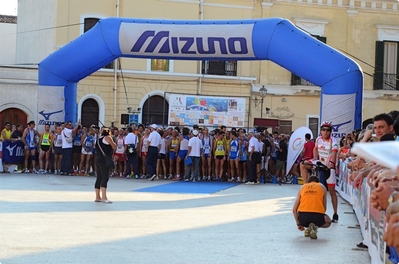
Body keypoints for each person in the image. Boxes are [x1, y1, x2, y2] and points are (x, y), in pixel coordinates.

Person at [313, 121, 339, 223]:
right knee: (321, 191)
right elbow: (315, 149)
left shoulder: (333, 140)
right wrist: (315, 158)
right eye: (323, 130)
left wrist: (332, 162)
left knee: (332, 191)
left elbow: (334, 152)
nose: (325, 132)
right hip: (321, 166)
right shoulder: (318, 139)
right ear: (321, 131)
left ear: (330, 132)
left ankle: (335, 213)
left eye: (328, 130)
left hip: (330, 168)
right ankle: (321, 212)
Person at [95, 127, 117, 203]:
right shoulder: (108, 138)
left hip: (98, 159)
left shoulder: (98, 140)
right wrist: (112, 139)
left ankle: (98, 197)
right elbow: (114, 146)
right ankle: (104, 197)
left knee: (99, 178)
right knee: (105, 177)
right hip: (104, 160)